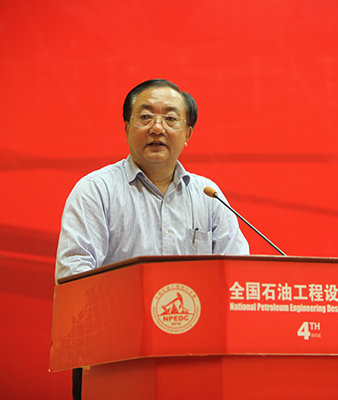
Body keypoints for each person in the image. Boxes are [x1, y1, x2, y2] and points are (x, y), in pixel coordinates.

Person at [54, 79, 249, 399]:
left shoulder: (209, 196)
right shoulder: (96, 190)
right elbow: (74, 275)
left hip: (194, 356)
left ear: (187, 133)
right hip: (114, 356)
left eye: (170, 118)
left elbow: (236, 275)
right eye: (145, 117)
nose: (157, 128)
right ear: (127, 127)